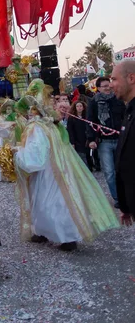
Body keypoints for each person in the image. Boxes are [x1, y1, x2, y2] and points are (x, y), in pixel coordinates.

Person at [14, 92, 119, 252]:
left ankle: (64, 236)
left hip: (47, 173)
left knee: (49, 203)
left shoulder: (37, 127)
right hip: (61, 168)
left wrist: (17, 153)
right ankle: (50, 233)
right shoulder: (50, 124)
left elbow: (36, 156)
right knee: (58, 202)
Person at [87, 76, 126, 206]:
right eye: (104, 86)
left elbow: (126, 116)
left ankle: (125, 195)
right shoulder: (93, 102)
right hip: (104, 142)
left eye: (108, 85)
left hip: (120, 139)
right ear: (98, 88)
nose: (108, 88)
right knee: (109, 172)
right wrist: (91, 139)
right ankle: (117, 198)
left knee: (122, 170)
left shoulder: (118, 100)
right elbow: (90, 121)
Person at [111, 60, 135, 225]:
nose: (111, 85)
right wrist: (126, 206)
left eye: (114, 79)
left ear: (131, 78)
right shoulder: (129, 111)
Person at [67, 100, 93, 171]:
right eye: (77, 106)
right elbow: (70, 131)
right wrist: (72, 142)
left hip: (86, 139)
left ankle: (90, 167)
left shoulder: (86, 117)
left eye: (80, 106)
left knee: (88, 155)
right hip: (77, 140)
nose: (79, 108)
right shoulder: (72, 118)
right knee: (82, 156)